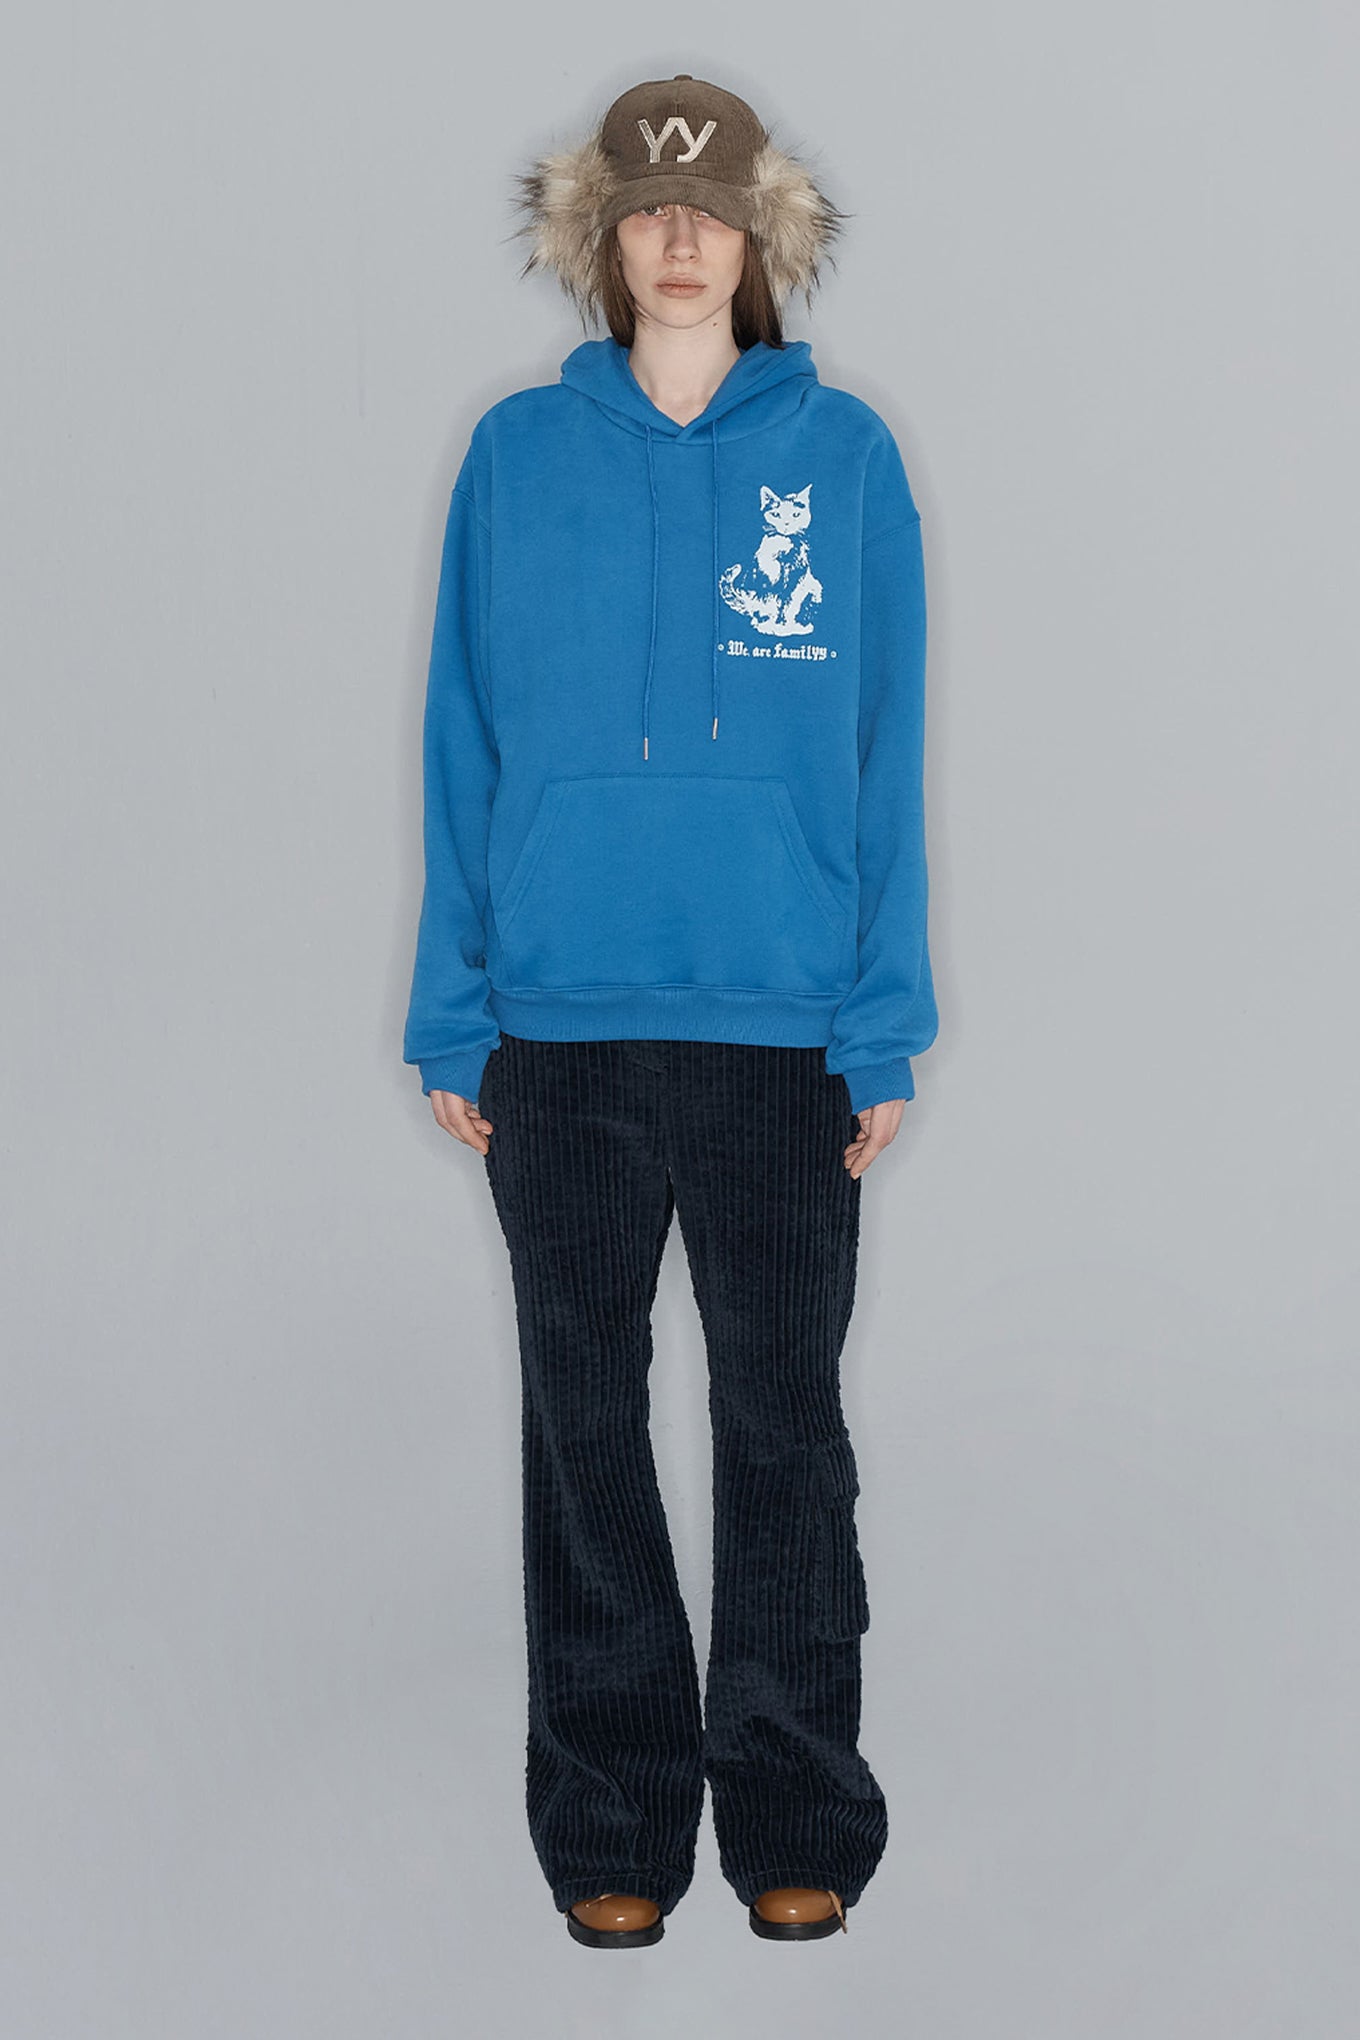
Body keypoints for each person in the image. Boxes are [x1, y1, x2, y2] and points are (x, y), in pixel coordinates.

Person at [402, 72, 939, 1947]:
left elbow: (886, 755)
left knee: (783, 1427)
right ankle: (613, 1820)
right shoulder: (514, 459)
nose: (682, 237)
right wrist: (453, 1007)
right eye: (646, 209)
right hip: (559, 1028)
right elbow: (462, 740)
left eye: (711, 211)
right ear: (606, 241)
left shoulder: (843, 460)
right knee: (585, 1430)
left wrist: (882, 1023)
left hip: (783, 1029)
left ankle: (795, 1807)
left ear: (760, 238)